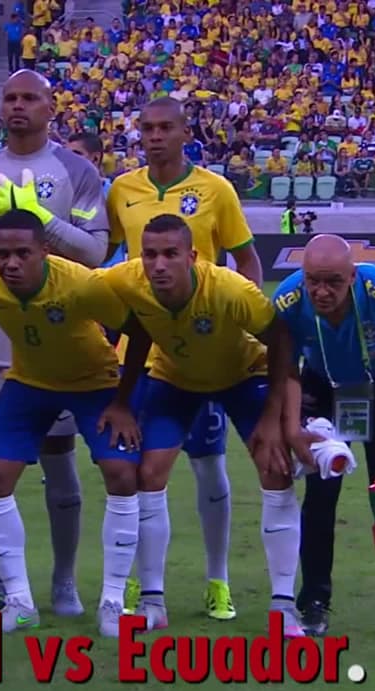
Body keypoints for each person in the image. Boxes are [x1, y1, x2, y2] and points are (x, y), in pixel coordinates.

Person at [96, 214, 305, 637]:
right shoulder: (126, 280)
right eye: (150, 254)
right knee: (149, 474)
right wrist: (120, 401)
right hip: (176, 380)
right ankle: (153, 603)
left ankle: (284, 607)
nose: (158, 265)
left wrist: (272, 418)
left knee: (275, 468)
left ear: (192, 256)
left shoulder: (229, 289)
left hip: (243, 376)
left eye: (170, 254)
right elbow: (79, 286)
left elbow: (281, 338)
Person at [0, 70, 108, 617]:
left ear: (50, 107)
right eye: (10, 97)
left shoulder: (77, 171)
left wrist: (44, 221)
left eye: (29, 97)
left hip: (58, 335)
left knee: (58, 458)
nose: (17, 105)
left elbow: (94, 253)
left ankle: (64, 581)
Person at [106, 97, 263, 621]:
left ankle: (218, 581)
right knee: (140, 472)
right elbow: (106, 258)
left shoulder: (216, 189)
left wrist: (240, 324)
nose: (154, 137)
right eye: (146, 128)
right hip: (141, 353)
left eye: (164, 128)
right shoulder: (121, 190)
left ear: (184, 132)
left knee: (208, 464)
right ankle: (142, 583)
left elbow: (247, 260)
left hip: (205, 349)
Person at [0, 210, 139, 635]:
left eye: (23, 253)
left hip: (94, 382)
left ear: (45, 251)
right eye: (3, 253)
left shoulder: (82, 284)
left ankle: (112, 602)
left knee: (122, 472)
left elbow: (137, 328)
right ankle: (20, 602)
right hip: (30, 382)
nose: (12, 263)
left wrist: (123, 403)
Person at [275, 234, 375, 639]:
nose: (322, 292)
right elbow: (287, 369)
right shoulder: (288, 301)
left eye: (333, 282)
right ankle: (314, 601)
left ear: (352, 276)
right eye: (313, 281)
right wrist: (292, 429)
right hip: (321, 389)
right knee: (320, 499)